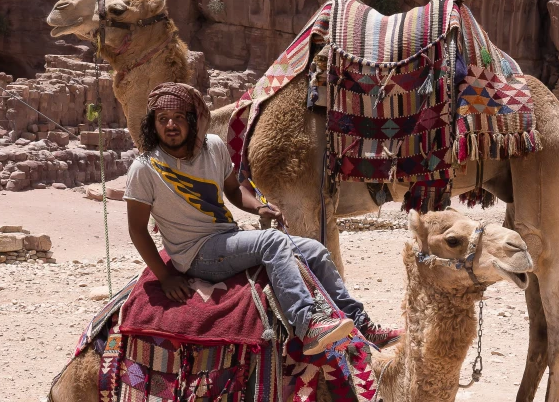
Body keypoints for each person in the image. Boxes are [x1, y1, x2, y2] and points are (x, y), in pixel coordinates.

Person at [123, 82, 402, 356]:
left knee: (315, 250)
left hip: (225, 238)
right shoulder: (144, 168)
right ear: (152, 124)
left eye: (179, 118)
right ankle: (308, 323)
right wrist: (166, 276)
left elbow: (233, 190)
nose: (171, 125)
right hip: (196, 253)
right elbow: (137, 229)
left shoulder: (214, 147)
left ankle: (361, 323)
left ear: (193, 120)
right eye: (163, 119)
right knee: (273, 242)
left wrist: (259, 207)